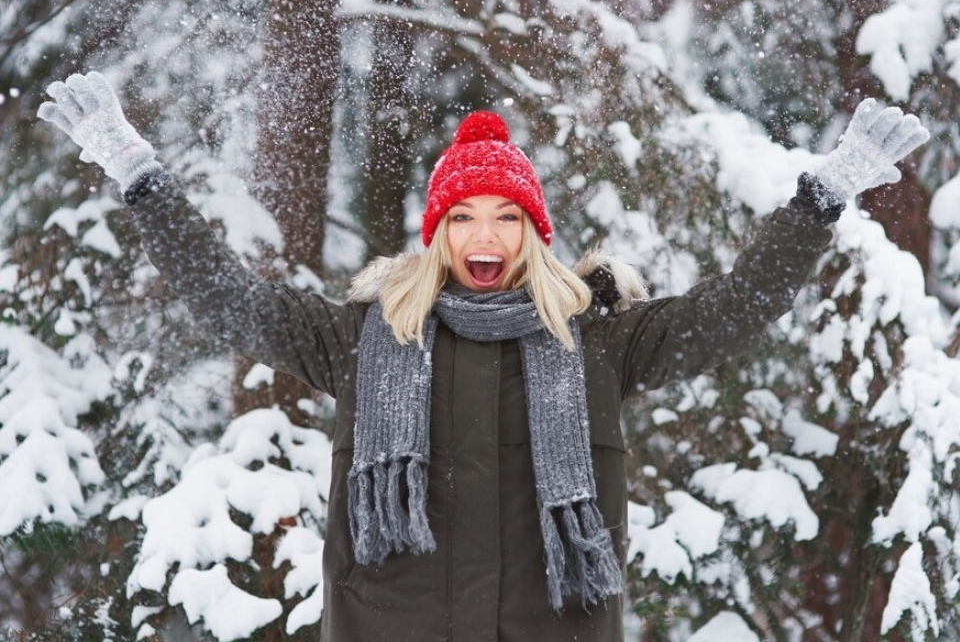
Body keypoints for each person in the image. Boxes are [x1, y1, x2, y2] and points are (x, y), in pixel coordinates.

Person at [38, 72, 929, 642]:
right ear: (437, 233)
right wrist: (139, 176)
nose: (484, 235)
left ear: (534, 232)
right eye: (463, 217)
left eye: (505, 216)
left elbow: (732, 311)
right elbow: (230, 298)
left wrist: (824, 196)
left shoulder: (597, 344)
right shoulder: (364, 338)